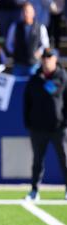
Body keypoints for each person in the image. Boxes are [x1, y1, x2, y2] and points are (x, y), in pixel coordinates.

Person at [23, 48, 67, 201]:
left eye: (50, 57)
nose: (46, 60)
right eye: (44, 57)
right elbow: (27, 102)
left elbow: (53, 90)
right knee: (37, 161)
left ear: (55, 59)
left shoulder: (61, 77)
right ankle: (34, 190)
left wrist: (65, 122)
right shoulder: (34, 79)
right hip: (38, 127)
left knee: (64, 159)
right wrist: (28, 122)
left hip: (58, 127)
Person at [6, 2, 50, 77]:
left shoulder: (40, 27)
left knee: (33, 86)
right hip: (19, 64)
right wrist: (15, 52)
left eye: (28, 11)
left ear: (33, 13)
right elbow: (9, 43)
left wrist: (39, 52)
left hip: (34, 65)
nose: (26, 14)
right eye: (24, 11)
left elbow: (45, 45)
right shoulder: (15, 26)